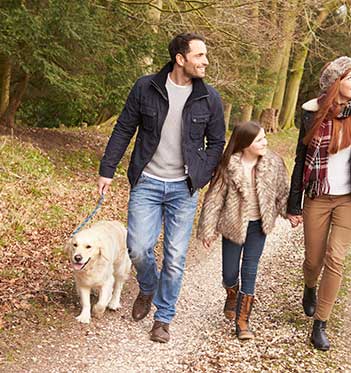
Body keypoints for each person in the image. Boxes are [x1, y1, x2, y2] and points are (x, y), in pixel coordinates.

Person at [97, 32, 226, 343]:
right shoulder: (146, 87)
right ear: (180, 59)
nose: (205, 61)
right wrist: (107, 170)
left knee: (176, 255)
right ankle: (148, 285)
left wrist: (201, 175)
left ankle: (163, 318)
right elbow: (124, 128)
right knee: (138, 247)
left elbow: (217, 142)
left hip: (183, 188)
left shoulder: (210, 99)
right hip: (147, 182)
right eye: (199, 56)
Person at [287, 56, 351, 351]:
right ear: (334, 83)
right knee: (313, 259)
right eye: (350, 77)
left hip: (348, 200)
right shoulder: (312, 114)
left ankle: (320, 323)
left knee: (336, 257)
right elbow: (301, 160)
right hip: (317, 196)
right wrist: (294, 205)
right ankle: (309, 287)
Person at [196, 121, 289, 340]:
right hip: (234, 224)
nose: (265, 142)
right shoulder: (229, 165)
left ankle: (243, 320)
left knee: (250, 269)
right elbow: (214, 198)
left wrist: (291, 212)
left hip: (258, 226)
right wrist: (208, 229)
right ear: (245, 143)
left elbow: (283, 191)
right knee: (229, 273)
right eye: (259, 140)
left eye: (265, 138)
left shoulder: (273, 163)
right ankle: (232, 293)